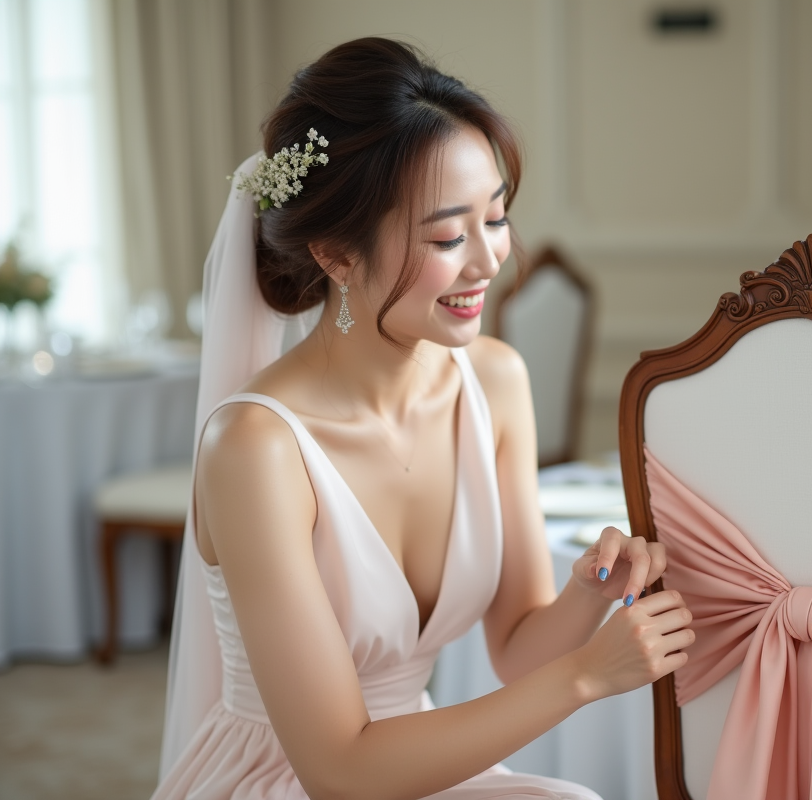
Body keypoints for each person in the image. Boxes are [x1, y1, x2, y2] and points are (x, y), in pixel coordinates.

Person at [154, 37, 694, 800]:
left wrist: (587, 597)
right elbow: (339, 769)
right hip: (298, 777)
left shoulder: (496, 381)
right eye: (447, 236)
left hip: (422, 756)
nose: (487, 261)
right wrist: (584, 678)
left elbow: (513, 649)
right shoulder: (256, 449)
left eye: (497, 219)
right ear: (337, 254)